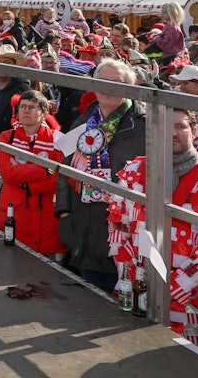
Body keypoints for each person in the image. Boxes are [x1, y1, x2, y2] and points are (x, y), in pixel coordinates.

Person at [109, 109, 198, 356]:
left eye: (181, 126)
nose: (173, 133)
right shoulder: (134, 170)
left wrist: (173, 289)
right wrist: (136, 278)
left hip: (192, 304)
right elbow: (118, 226)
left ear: (194, 131)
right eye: (165, 127)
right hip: (139, 291)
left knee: (185, 364)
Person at [55, 58, 146, 294]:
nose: (109, 88)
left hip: (124, 230)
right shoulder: (83, 121)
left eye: (117, 83)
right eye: (103, 82)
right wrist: (64, 213)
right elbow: (65, 169)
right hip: (83, 226)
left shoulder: (144, 126)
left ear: (129, 87)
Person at [0, 90, 65, 259]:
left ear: (44, 113)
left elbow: (60, 178)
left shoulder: (59, 140)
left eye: (32, 107)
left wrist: (26, 183)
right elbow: (8, 175)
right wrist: (44, 169)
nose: (26, 111)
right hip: (14, 216)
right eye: (23, 107)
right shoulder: (6, 137)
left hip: (48, 223)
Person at [0, 44, 31, 140]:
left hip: (10, 141)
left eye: (6, 63)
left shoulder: (22, 90)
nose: (2, 66)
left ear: (14, 66)